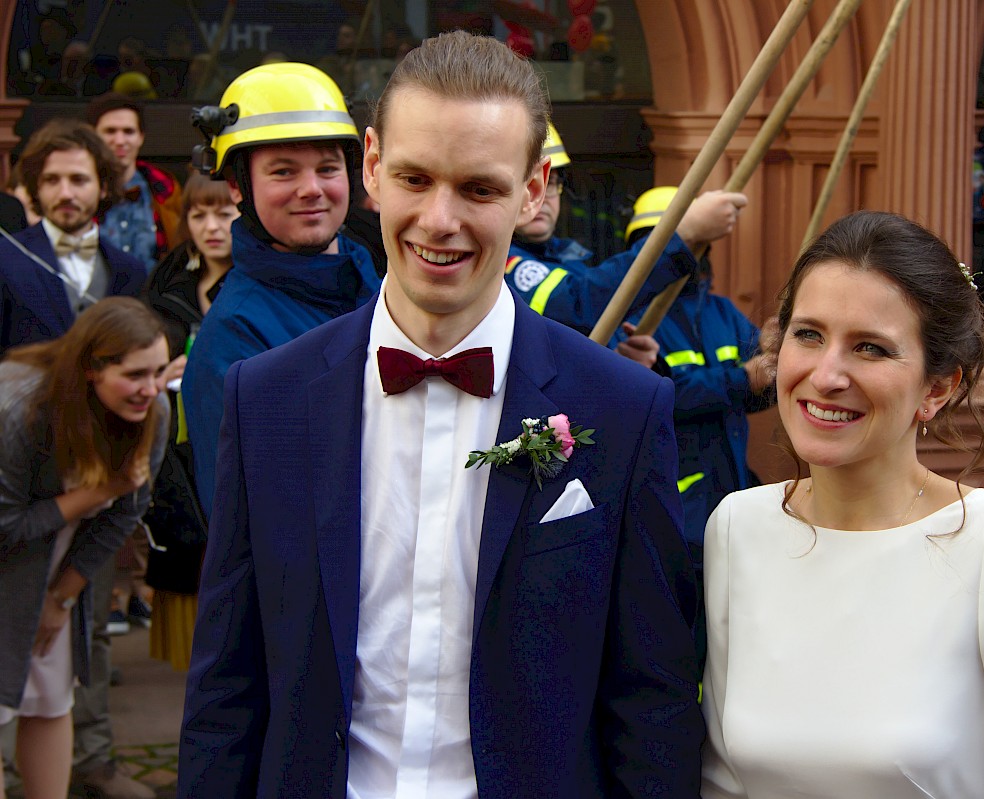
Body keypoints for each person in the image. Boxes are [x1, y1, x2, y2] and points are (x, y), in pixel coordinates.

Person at [178, 30, 702, 798]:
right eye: (416, 178)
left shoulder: (621, 409)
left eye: (480, 189)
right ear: (372, 167)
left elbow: (650, 696)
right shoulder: (267, 398)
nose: (439, 219)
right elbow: (227, 681)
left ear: (532, 191)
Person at [700, 210, 984, 797]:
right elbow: (722, 782)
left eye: (870, 348)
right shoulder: (738, 526)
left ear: (937, 387)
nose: (828, 374)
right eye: (809, 335)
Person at [181, 61, 382, 517]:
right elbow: (254, 526)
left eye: (327, 168)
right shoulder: (234, 340)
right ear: (237, 186)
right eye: (284, 172)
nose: (311, 189)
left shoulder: (380, 283)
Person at [0, 297, 169, 799]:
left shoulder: (150, 409)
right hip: (10, 555)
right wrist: (96, 492)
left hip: (51, 563)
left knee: (51, 696)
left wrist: (61, 598)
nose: (152, 388)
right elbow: (4, 526)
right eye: (136, 374)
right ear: (91, 369)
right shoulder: (19, 410)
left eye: (160, 371)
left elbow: (124, 516)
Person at [618, 186, 776, 662]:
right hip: (672, 504)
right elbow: (651, 398)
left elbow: (759, 387)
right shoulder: (631, 320)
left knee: (732, 636)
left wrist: (778, 363)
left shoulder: (723, 312)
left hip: (731, 491)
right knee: (675, 639)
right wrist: (739, 379)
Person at [505, 122, 746, 335]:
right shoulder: (501, 263)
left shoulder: (565, 256)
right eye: (529, 183)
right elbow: (579, 305)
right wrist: (683, 234)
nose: (541, 197)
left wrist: (621, 356)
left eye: (551, 183)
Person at [140, 174, 239, 672]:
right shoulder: (169, 280)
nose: (211, 226)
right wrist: (158, 372)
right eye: (199, 214)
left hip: (232, 441)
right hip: (172, 448)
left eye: (223, 212)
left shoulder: (256, 283)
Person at [0, 118, 144, 352]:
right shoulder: (5, 258)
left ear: (103, 187)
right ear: (36, 187)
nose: (65, 193)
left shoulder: (129, 270)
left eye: (79, 180)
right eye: (52, 180)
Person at [86, 93, 185, 273]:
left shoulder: (165, 188)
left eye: (128, 131)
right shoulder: (78, 190)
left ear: (141, 137)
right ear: (93, 137)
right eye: (110, 131)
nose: (120, 141)